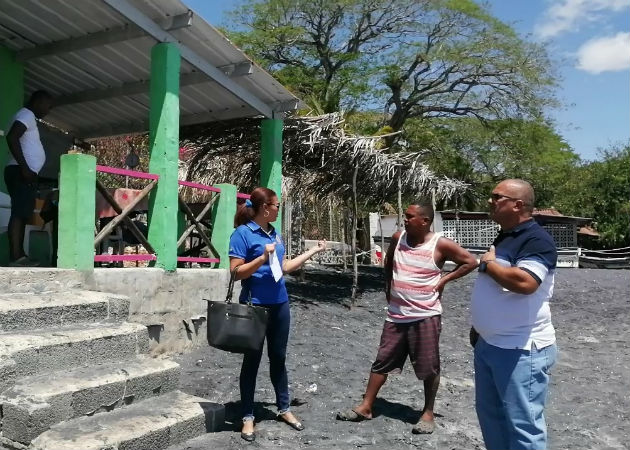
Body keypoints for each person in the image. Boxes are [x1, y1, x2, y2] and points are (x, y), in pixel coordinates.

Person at [336, 200, 477, 434]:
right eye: (406, 215)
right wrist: (388, 289)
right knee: (382, 360)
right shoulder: (398, 237)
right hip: (396, 315)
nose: (405, 219)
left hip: (425, 315)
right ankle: (367, 406)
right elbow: (389, 263)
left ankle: (428, 413)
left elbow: (470, 261)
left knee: (428, 365)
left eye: (410, 216)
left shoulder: (439, 244)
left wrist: (443, 280)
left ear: (425, 221)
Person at [228, 187, 326, 442]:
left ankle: (284, 409)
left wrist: (313, 251)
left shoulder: (274, 233)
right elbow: (236, 272)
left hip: (280, 304)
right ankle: (248, 416)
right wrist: (261, 257)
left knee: (279, 358)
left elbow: (283, 267)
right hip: (254, 306)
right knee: (252, 361)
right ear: (264, 208)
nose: (278, 209)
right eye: (277, 205)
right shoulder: (242, 234)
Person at [471, 179, 558, 450]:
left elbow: (525, 283)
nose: (490, 201)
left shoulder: (536, 239)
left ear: (518, 205)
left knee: (523, 427)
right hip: (491, 344)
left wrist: (488, 265)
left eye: (497, 197)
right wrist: (481, 328)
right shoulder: (508, 234)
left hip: (520, 349)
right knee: (493, 418)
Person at [4, 90, 53, 266]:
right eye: (48, 105)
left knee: (23, 213)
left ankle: (20, 255)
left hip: (22, 172)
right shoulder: (27, 114)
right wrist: (25, 168)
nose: (48, 110)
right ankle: (16, 257)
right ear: (39, 101)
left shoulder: (26, 116)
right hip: (20, 171)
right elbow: (12, 137)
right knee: (19, 213)